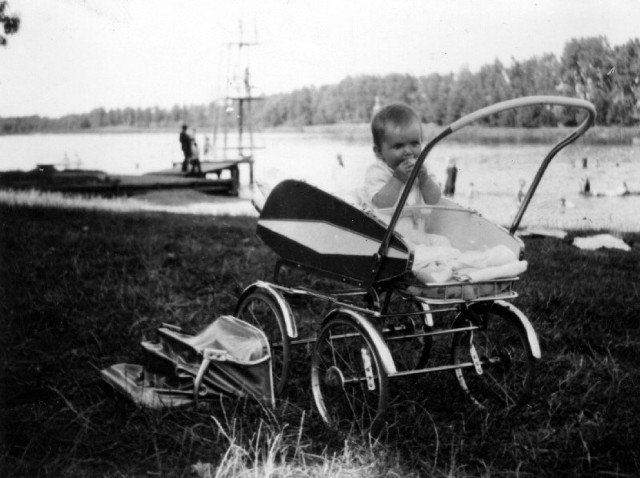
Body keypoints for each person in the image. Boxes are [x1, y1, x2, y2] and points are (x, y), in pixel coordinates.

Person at [362, 103, 441, 211]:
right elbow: (381, 203)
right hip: (384, 226)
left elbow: (434, 200)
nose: (408, 151)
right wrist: (397, 178)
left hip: (417, 226)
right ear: (379, 152)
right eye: (398, 146)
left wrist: (425, 179)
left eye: (414, 144)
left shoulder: (423, 169)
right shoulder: (378, 172)